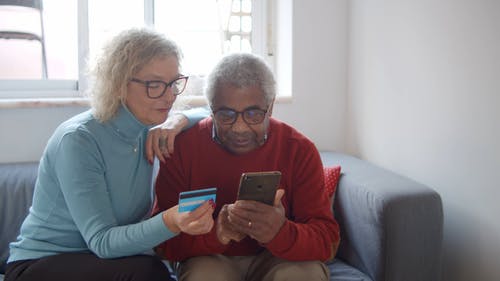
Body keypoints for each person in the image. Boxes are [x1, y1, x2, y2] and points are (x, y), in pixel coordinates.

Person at [5, 28, 215, 281]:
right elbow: (102, 242)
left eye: (173, 83)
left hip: (107, 262)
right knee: (149, 272)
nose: (169, 96)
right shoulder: (79, 140)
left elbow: (211, 112)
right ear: (118, 84)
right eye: (155, 85)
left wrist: (179, 119)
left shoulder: (150, 124)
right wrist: (171, 220)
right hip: (40, 264)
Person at [153, 53, 340, 281]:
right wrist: (216, 233)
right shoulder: (182, 148)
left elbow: (327, 242)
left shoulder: (298, 149)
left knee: (301, 275)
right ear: (211, 110)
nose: (240, 128)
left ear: (270, 108)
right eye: (226, 115)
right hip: (210, 257)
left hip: (279, 258)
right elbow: (162, 245)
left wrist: (280, 231)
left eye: (253, 114)